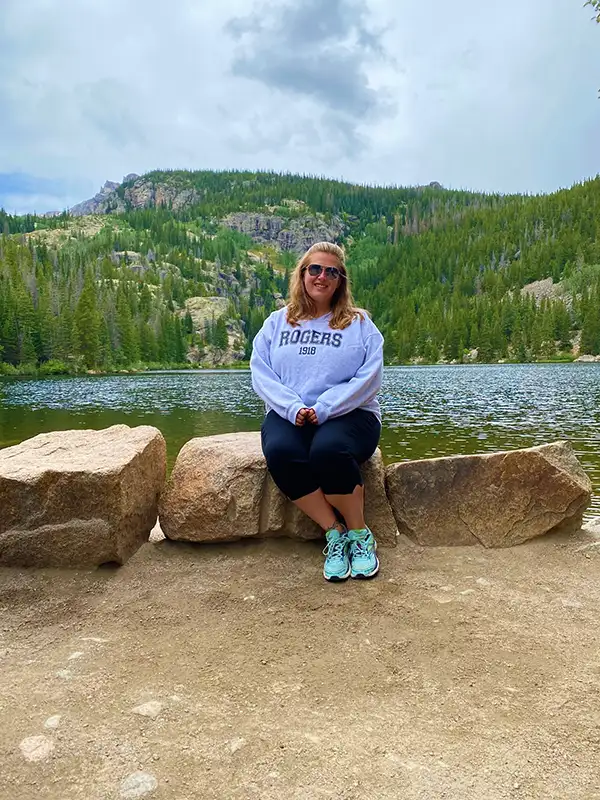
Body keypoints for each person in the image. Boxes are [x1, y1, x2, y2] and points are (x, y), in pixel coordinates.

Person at [250, 241, 384, 582]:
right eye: (315, 269)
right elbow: (261, 372)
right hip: (289, 414)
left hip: (351, 415)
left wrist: (324, 408)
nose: (322, 276)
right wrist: (292, 407)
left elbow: (369, 379)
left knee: (328, 450)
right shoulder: (276, 323)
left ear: (340, 281)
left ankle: (359, 534)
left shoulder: (360, 323)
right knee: (280, 450)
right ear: (302, 274)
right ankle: (334, 532)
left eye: (331, 271)